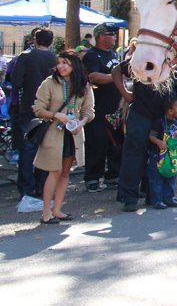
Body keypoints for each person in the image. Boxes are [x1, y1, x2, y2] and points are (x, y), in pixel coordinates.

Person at [113, 47, 177, 212]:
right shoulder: (142, 60)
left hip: (165, 120)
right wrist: (125, 93)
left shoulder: (174, 65)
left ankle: (154, 196)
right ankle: (129, 198)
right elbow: (116, 71)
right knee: (135, 156)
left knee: (161, 159)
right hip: (141, 116)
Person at [32, 50, 95, 223]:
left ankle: (58, 210)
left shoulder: (84, 84)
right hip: (55, 133)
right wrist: (56, 115)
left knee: (66, 172)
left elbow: (89, 111)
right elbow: (38, 109)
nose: (61, 66)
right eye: (59, 62)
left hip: (72, 134)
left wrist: (81, 124)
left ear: (74, 65)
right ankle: (46, 212)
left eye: (65, 63)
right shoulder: (49, 83)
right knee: (55, 171)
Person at [11, 28, 57, 199]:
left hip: (29, 107)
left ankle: (26, 187)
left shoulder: (26, 57)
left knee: (28, 148)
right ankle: (42, 185)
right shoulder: (55, 59)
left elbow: (16, 82)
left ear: (34, 40)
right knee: (46, 148)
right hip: (51, 110)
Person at [81, 22, 121, 192]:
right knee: (97, 144)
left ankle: (113, 176)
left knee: (116, 144)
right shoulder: (91, 56)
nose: (114, 37)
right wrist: (116, 76)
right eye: (111, 34)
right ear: (101, 36)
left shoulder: (113, 54)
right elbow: (92, 76)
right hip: (99, 109)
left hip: (115, 108)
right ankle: (92, 178)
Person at [147, 98, 177, 209]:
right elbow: (152, 136)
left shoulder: (176, 123)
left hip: (172, 156)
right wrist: (159, 142)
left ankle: (169, 198)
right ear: (170, 111)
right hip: (159, 157)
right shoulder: (160, 122)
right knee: (157, 179)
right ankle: (157, 200)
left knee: (171, 177)